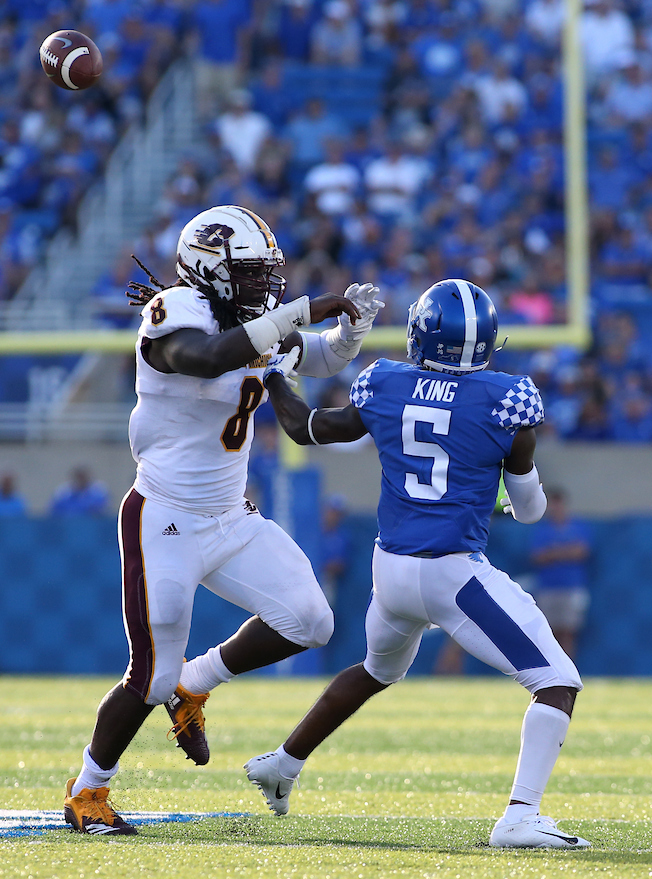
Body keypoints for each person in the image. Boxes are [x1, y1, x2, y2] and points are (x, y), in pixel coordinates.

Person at [62, 205, 381, 836]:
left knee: (311, 620)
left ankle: (197, 685)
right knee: (149, 677)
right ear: (210, 270)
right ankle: (87, 791)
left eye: (268, 272)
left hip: (231, 517)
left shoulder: (251, 321)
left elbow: (310, 357)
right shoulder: (175, 312)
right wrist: (298, 313)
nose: (266, 285)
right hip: (165, 517)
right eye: (252, 272)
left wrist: (349, 334)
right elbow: (206, 359)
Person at [245, 279, 588, 849]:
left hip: (391, 569)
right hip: (451, 574)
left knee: (376, 671)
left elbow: (306, 430)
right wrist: (502, 486)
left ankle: (282, 762)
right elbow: (530, 512)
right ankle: (520, 817)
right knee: (556, 682)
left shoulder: (385, 381)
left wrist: (274, 375)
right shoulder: (509, 398)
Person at [529, 488, 592, 660]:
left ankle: (568, 669)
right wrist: (566, 552)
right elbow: (538, 556)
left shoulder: (577, 526)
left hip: (572, 586)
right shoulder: (542, 529)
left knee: (569, 632)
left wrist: (554, 552)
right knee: (547, 633)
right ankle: (552, 671)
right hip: (548, 587)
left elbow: (582, 552)